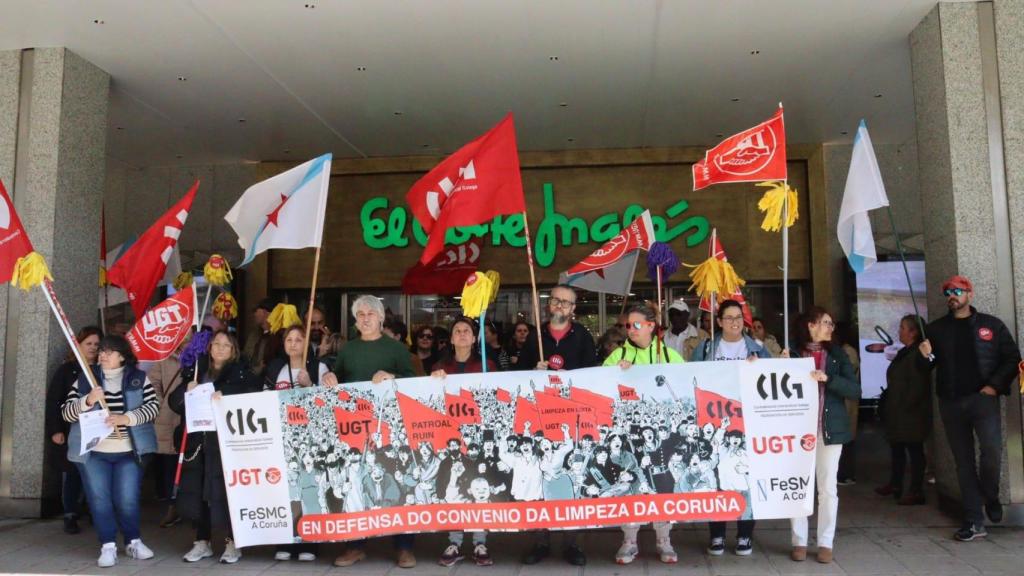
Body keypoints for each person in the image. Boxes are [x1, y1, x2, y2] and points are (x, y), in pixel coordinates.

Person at [918, 275, 1021, 541]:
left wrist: (994, 386)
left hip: (983, 400)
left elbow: (1012, 358)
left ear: (969, 294)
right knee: (963, 463)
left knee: (991, 452)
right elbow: (925, 368)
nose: (952, 296)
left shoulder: (991, 325)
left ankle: (991, 495)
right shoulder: (936, 329)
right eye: (948, 292)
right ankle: (974, 521)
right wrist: (924, 355)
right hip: (951, 402)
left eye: (957, 291)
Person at [324, 295, 417, 569]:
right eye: (360, 315)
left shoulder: (396, 349)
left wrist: (392, 377)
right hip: (355, 429)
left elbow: (413, 381)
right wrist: (330, 377)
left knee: (397, 481)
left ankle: (404, 547)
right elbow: (338, 382)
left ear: (381, 318)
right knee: (357, 482)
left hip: (390, 426)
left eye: (370, 314)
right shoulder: (348, 349)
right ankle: (355, 546)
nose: (365, 319)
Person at [516, 284, 598, 566]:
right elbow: (517, 375)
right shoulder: (535, 336)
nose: (560, 305)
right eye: (555, 300)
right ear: (549, 304)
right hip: (542, 417)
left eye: (566, 302)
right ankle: (541, 540)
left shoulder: (582, 336)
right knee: (542, 476)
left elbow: (593, 373)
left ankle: (572, 542)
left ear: (573, 308)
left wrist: (571, 377)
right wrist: (533, 370)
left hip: (570, 418)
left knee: (569, 477)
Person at [61, 335, 160, 568]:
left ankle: (133, 541)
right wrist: (87, 401)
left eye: (109, 351)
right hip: (94, 453)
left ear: (122, 356)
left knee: (127, 499)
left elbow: (153, 407)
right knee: (99, 499)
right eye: (102, 351)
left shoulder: (138, 378)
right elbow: (66, 413)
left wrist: (127, 418)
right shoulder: (85, 378)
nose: (103, 355)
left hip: (129, 451)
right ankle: (107, 545)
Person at [170, 331, 260, 564]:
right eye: (216, 344)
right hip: (198, 443)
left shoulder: (241, 373)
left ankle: (233, 542)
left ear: (233, 350)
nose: (220, 348)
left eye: (226, 345)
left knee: (228, 493)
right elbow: (174, 404)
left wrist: (227, 394)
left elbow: (253, 396)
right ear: (209, 348)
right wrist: (187, 390)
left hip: (227, 444)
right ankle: (202, 541)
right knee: (198, 493)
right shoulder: (196, 371)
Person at [601, 305, 681, 564]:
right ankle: (629, 540)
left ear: (651, 325)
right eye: (628, 325)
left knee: (662, 488)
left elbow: (683, 386)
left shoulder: (668, 355)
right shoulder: (619, 354)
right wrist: (616, 373)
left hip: (660, 437)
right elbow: (602, 386)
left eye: (637, 324)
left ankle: (664, 539)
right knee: (632, 487)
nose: (631, 329)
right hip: (630, 436)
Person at [690, 299, 769, 556]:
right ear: (719, 321)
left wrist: (765, 365)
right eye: (729, 317)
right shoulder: (706, 348)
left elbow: (773, 377)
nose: (734, 322)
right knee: (718, 478)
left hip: (749, 422)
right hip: (717, 424)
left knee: (745, 477)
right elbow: (690, 377)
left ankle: (745, 534)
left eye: (738, 317)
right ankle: (717, 534)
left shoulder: (757, 348)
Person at [787, 307, 860, 564]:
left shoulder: (838, 354)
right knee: (798, 486)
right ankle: (799, 540)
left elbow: (854, 390)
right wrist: (779, 364)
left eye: (831, 323)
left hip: (829, 430)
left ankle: (825, 541)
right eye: (826, 323)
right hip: (797, 431)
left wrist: (829, 379)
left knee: (828, 488)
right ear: (811, 325)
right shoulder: (792, 353)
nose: (831, 327)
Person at [264, 324, 331, 561]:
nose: (293, 344)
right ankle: (285, 539)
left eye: (298, 339)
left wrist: (310, 386)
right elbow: (264, 398)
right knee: (286, 490)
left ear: (307, 343)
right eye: (289, 339)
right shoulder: (276, 368)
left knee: (308, 489)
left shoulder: (319, 367)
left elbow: (328, 403)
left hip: (311, 439)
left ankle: (309, 541)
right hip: (283, 438)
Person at [432, 321, 496, 566]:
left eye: (466, 331)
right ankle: (455, 542)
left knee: (478, 488)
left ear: (474, 337)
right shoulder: (439, 366)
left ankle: (480, 542)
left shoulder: (487, 365)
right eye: (457, 331)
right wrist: (434, 380)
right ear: (450, 339)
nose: (461, 334)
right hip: (451, 436)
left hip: (476, 438)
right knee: (456, 489)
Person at [45, 325, 102, 535]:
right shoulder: (67, 370)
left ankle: (95, 511)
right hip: (72, 430)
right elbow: (54, 401)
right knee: (73, 473)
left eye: (97, 344)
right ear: (78, 345)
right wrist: (55, 430)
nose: (93, 348)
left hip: (99, 430)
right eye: (89, 343)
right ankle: (70, 513)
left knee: (96, 473)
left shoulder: (105, 370)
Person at [877, 315, 931, 505]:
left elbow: (918, 384)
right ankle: (896, 483)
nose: (899, 331)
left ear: (913, 332)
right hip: (897, 408)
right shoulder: (904, 352)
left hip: (910, 410)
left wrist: (906, 405)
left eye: (902, 328)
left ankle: (916, 490)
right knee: (897, 447)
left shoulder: (918, 353)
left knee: (914, 450)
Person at [146, 338, 186, 529]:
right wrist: (161, 405)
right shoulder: (163, 357)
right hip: (167, 417)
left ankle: (188, 506)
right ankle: (173, 506)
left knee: (191, 465)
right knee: (170, 464)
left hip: (191, 417)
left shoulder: (201, 356)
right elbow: (152, 383)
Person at [241, 298, 280, 377]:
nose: (254, 314)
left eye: (256, 311)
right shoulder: (254, 334)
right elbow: (245, 356)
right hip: (247, 376)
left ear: (265, 312)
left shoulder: (278, 337)